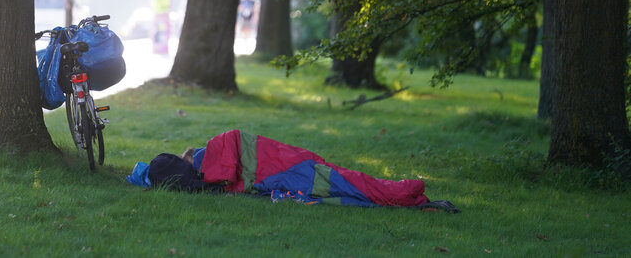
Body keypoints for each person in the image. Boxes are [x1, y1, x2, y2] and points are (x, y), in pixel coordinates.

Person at [127, 130, 459, 212]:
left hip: (287, 166)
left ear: (190, 160)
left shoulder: (214, 152)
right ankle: (408, 195)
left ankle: (406, 193)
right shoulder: (220, 145)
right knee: (350, 183)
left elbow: (227, 170)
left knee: (347, 186)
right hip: (293, 162)